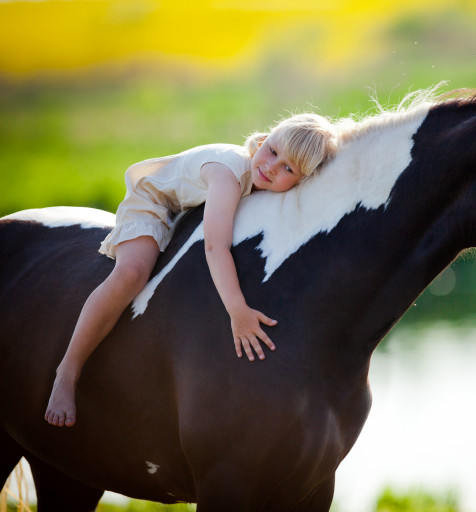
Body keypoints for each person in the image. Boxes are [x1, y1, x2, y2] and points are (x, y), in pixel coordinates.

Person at [44, 113, 338, 427]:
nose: (271, 167)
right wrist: (237, 310)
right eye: (273, 152)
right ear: (263, 141)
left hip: (188, 214)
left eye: (288, 169)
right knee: (132, 273)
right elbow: (215, 247)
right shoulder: (228, 175)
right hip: (155, 204)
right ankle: (67, 372)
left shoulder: (261, 178)